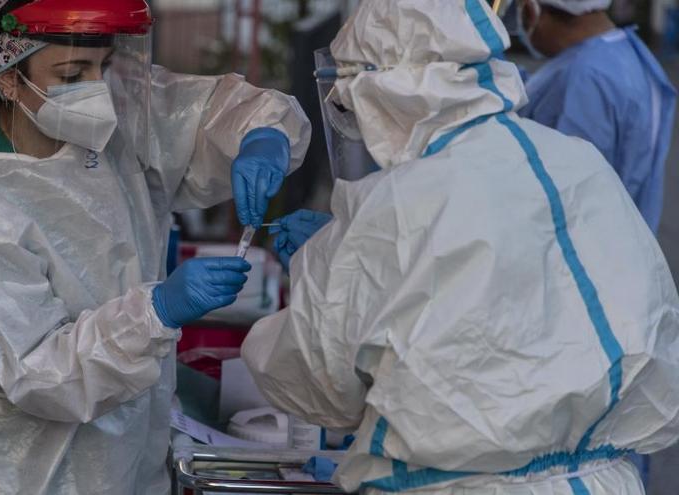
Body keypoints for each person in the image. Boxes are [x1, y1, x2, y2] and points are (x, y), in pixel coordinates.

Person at [242, 1, 679, 493]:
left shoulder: (394, 204)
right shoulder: (580, 162)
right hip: (605, 480)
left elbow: (315, 387)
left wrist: (318, 271)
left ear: (382, 90)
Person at [0, 1, 311, 493]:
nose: (99, 91)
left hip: (125, 453)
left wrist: (262, 137)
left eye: (104, 65)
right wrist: (156, 312)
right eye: (73, 73)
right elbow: (41, 375)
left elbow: (214, 109)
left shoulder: (118, 111)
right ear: (8, 78)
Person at [510, 0, 676, 232]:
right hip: (626, 239)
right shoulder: (625, 51)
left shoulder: (585, 78)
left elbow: (565, 192)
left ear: (533, 11)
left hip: (584, 246)